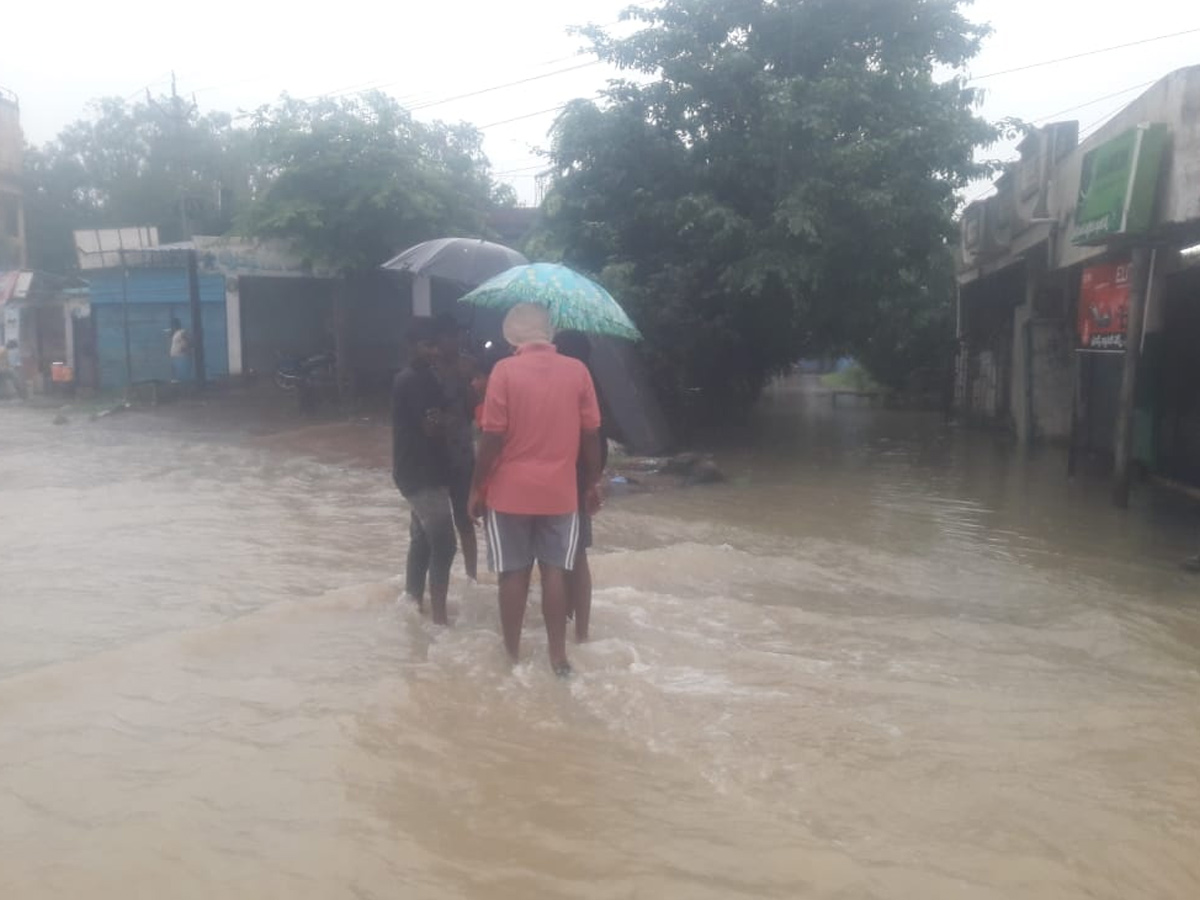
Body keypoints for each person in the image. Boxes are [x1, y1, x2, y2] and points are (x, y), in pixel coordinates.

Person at [469, 304, 603, 676]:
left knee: (513, 574)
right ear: (549, 333)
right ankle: (558, 656)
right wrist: (592, 481)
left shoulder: (504, 371)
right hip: (560, 493)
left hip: (509, 492)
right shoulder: (577, 371)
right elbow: (590, 434)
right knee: (554, 572)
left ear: (513, 338)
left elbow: (492, 438)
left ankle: (511, 656)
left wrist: (477, 488)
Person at [392, 317, 459, 625]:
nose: (434, 350)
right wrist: (449, 419)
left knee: (421, 540)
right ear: (412, 347)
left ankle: (413, 603)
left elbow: (441, 416)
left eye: (436, 344)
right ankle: (440, 618)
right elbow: (432, 427)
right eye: (427, 345)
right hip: (419, 472)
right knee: (444, 542)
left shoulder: (429, 378)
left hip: (427, 469)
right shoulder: (412, 380)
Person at [552, 331, 608, 643]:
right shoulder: (590, 386)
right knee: (577, 557)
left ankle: (564, 623)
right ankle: (580, 631)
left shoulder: (564, 386)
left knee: (556, 560)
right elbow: (599, 442)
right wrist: (593, 481)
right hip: (579, 481)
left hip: (560, 482)